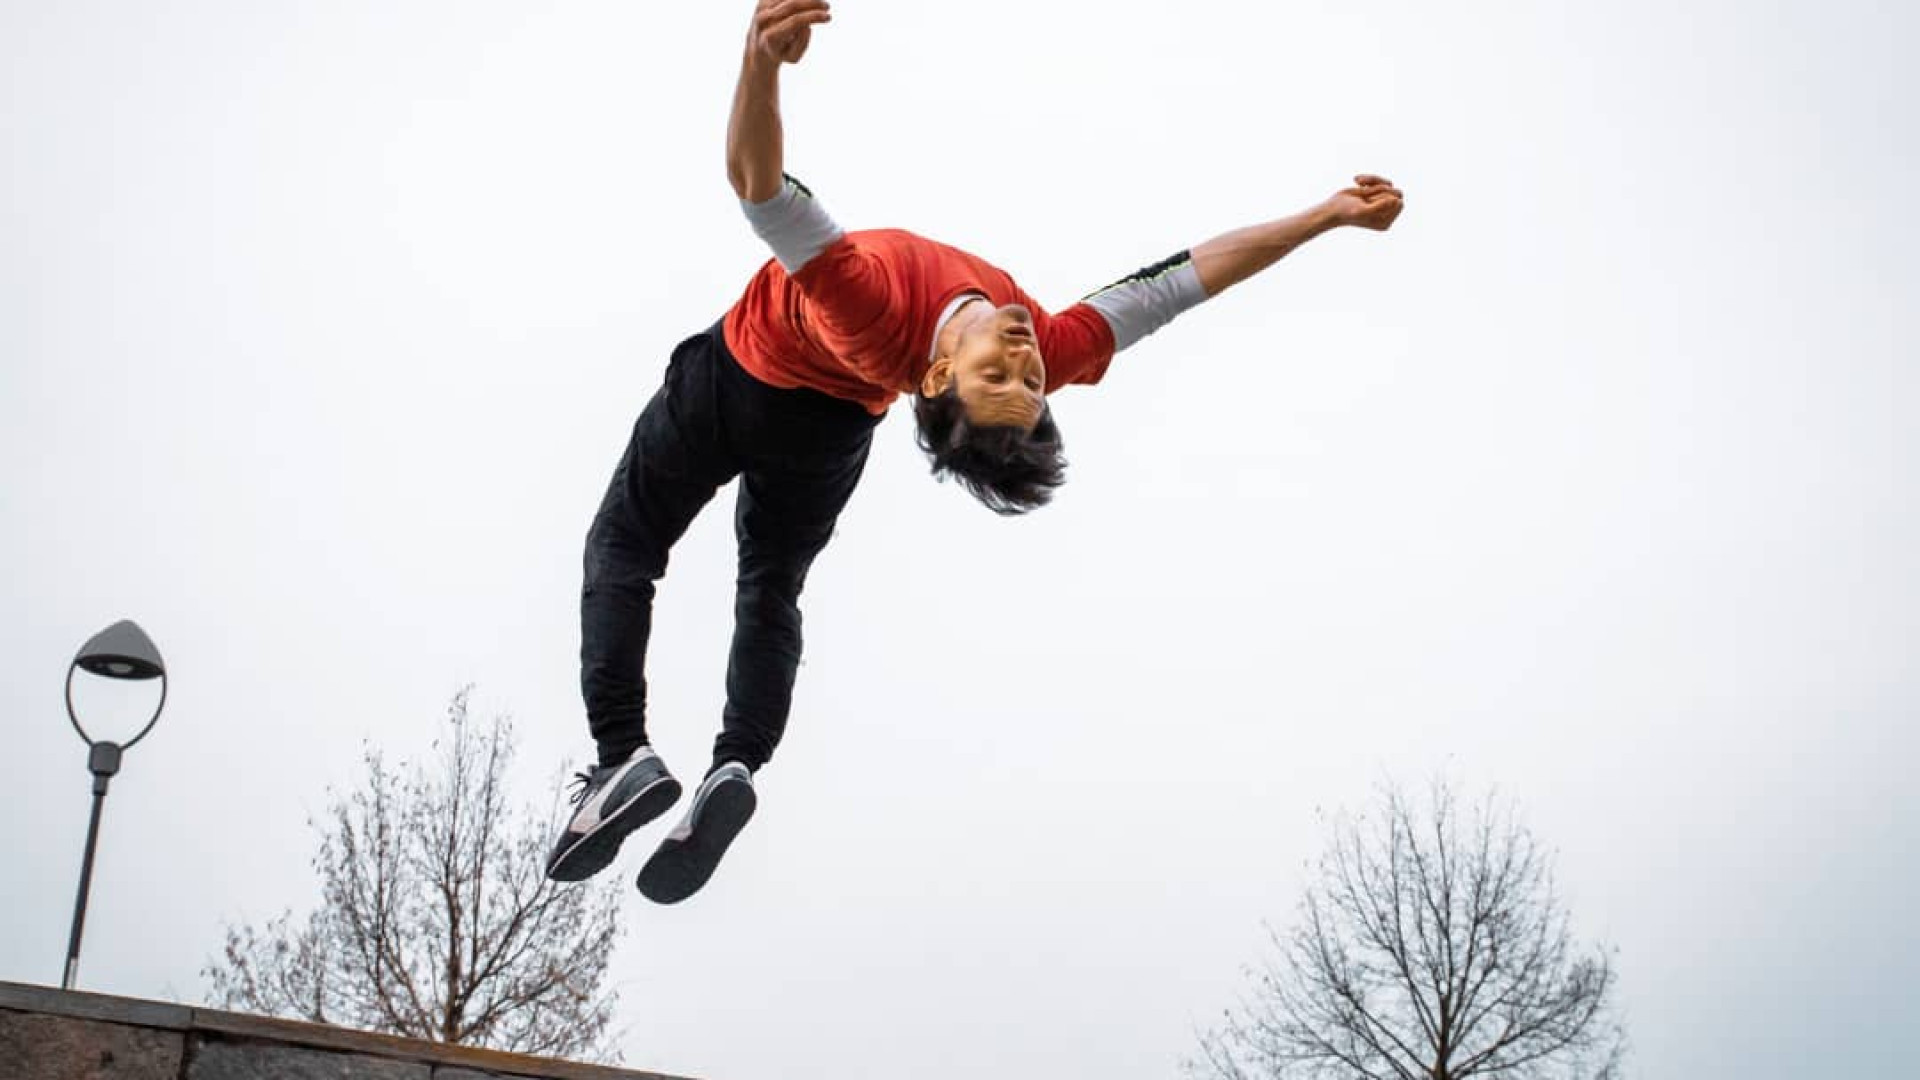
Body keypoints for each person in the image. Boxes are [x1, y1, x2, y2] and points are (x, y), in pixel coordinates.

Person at [546, 0, 1406, 904]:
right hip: (831, 434)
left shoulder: (870, 304)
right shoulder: (1051, 339)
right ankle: (736, 768)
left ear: (936, 377)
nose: (1030, 362)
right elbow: (1183, 282)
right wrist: (1324, 217)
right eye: (1032, 384)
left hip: (737, 382)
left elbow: (759, 188)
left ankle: (620, 757)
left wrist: (759, 60)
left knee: (627, 545)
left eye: (1001, 376)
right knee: (770, 588)